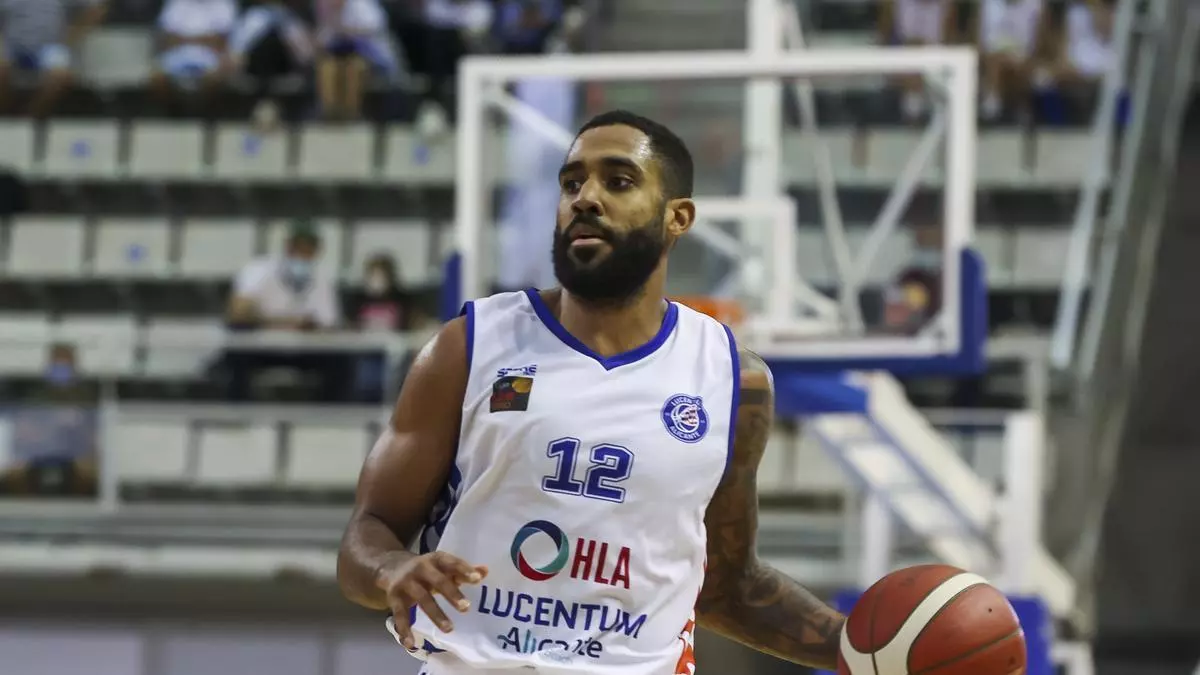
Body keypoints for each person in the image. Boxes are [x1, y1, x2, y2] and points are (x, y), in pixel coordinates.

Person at [336, 110, 846, 673]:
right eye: (572, 182)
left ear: (677, 217)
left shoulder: (733, 379)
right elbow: (368, 531)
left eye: (619, 181)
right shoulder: (470, 345)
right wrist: (390, 569)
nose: (585, 198)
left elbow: (727, 588)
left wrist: (862, 648)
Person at [0, 0, 108, 118]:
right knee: (1, 70)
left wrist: (72, 37)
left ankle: (29, 117)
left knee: (60, 76)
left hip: (50, 49)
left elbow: (96, 8)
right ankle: (4, 117)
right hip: (12, 47)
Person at [148, 0, 239, 117]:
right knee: (157, 77)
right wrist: (204, 40)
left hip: (210, 57)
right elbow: (167, 38)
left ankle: (204, 116)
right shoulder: (176, 3)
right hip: (177, 55)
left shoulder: (224, 4)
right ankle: (174, 115)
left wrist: (185, 39)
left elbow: (221, 41)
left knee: (215, 78)